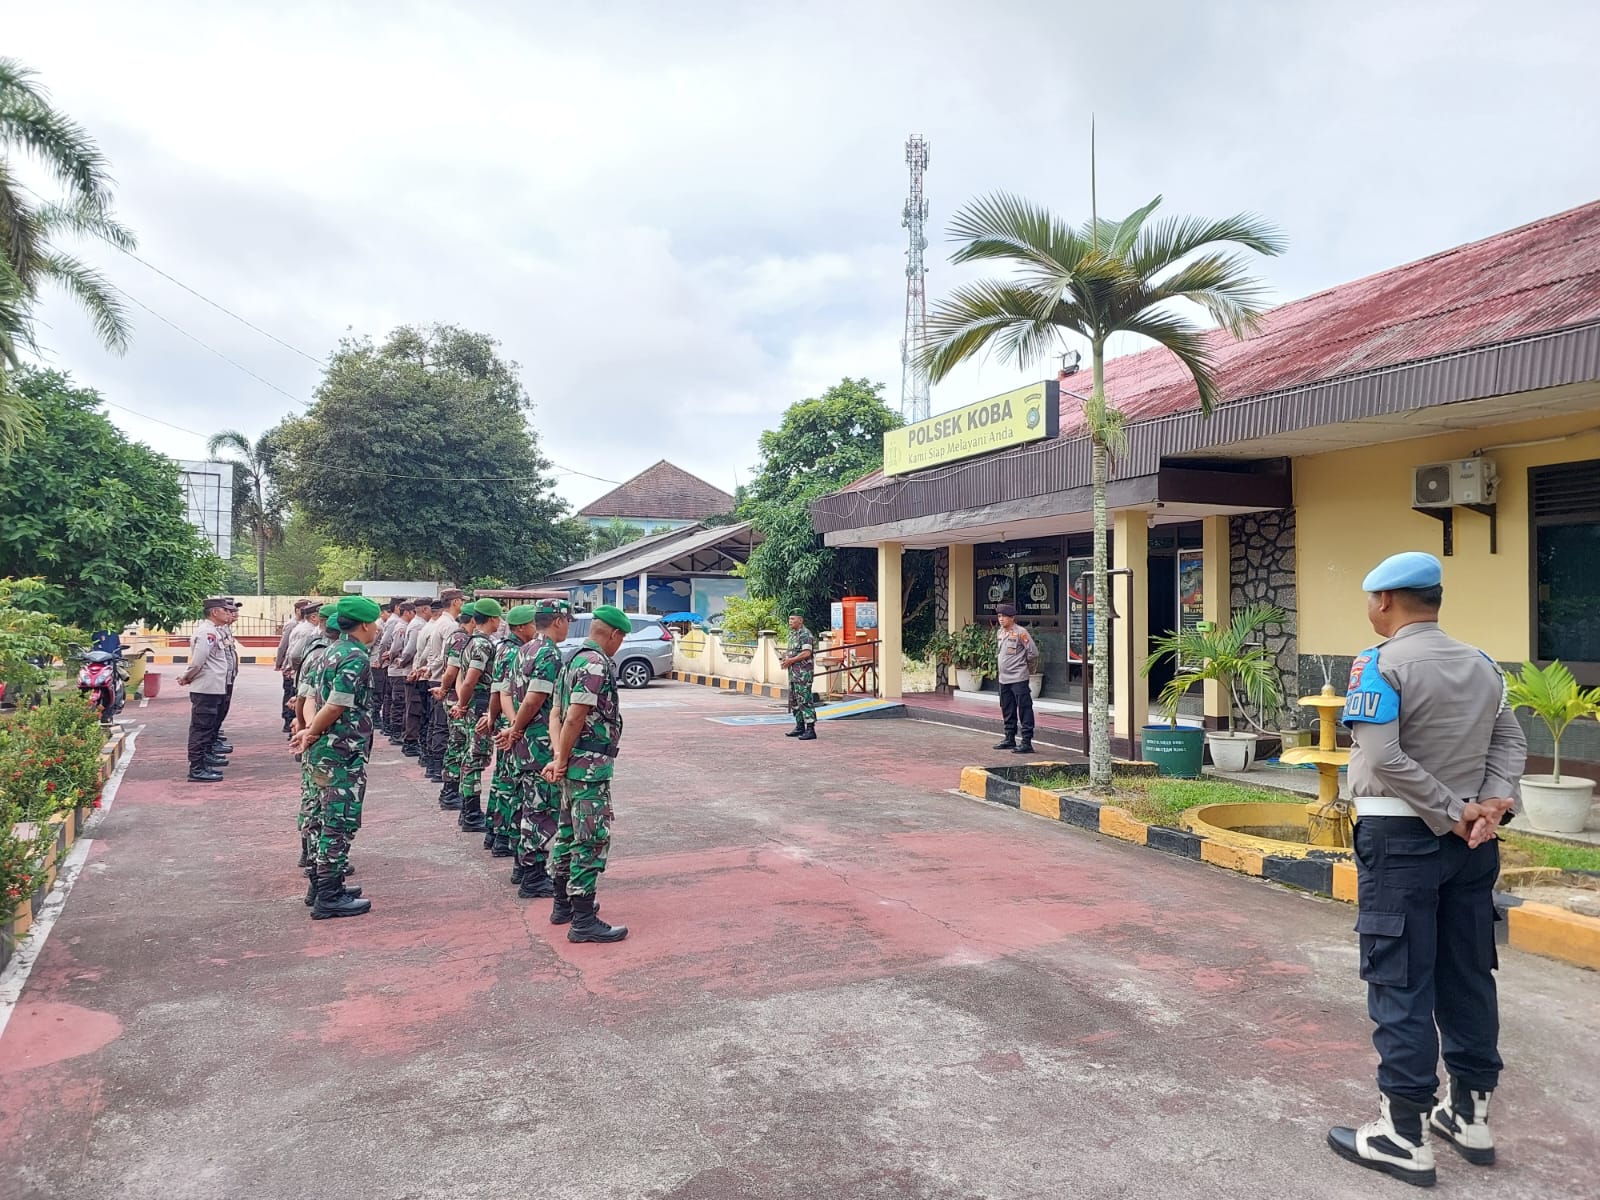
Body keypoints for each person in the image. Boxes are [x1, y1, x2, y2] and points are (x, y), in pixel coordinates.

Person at [1326, 552, 1526, 1188]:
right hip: (1471, 846)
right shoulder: (1483, 664)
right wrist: (1489, 804)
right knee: (1467, 970)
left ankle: (1402, 1133)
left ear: (1384, 601)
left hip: (1402, 839)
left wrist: (1452, 808)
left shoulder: (1378, 665)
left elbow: (1381, 755)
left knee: (1400, 974)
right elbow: (1510, 742)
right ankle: (1470, 1115)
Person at [542, 604, 630, 943]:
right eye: (620, 638)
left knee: (567, 833)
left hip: (572, 765)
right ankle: (582, 920)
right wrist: (562, 759)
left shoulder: (572, 660)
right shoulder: (594, 663)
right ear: (613, 634)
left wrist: (558, 756)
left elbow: (555, 714)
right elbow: (575, 717)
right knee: (591, 838)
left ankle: (562, 905)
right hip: (588, 768)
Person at [291, 594, 382, 920]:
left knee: (318, 816)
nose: (378, 628)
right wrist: (313, 731)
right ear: (366, 624)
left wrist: (309, 730)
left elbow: (312, 698)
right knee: (338, 820)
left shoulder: (330, 652)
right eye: (376, 622)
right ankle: (328, 896)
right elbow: (336, 704)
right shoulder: (355, 657)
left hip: (323, 751)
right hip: (341, 752)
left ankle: (322, 883)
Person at [500, 599, 569, 900]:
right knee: (541, 810)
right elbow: (534, 699)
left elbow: (510, 694)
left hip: (526, 741)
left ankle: (523, 866)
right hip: (539, 742)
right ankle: (533, 874)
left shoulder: (524, 649)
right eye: (567, 619)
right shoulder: (548, 653)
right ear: (557, 621)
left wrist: (515, 728)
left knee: (528, 805)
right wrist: (516, 729)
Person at [291, 603, 336, 874]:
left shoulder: (313, 647)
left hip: (310, 730)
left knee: (311, 794)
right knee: (321, 798)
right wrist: (311, 729)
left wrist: (304, 724)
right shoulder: (330, 653)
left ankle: (308, 851)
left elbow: (302, 694)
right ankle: (317, 860)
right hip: (321, 734)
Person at [453, 598, 502, 834]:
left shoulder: (470, 641)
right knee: (476, 758)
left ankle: (467, 811)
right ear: (492, 619)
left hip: (471, 703)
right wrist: (463, 704)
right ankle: (471, 813)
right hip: (479, 703)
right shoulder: (483, 644)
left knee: (469, 757)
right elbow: (471, 678)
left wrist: (462, 703)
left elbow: (461, 677)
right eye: (498, 618)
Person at [176, 598, 234, 783]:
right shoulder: (206, 632)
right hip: (206, 688)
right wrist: (186, 677)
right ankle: (197, 768)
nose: (229, 613)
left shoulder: (214, 631)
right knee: (201, 729)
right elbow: (198, 661)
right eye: (225, 610)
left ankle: (203, 761)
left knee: (207, 727)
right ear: (215, 612)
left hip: (213, 687)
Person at [483, 607, 526, 855]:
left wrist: (492, 716)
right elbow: (502, 692)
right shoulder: (513, 652)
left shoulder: (503, 648)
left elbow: (495, 690)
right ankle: (504, 836)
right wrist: (513, 726)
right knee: (510, 782)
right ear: (521, 627)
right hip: (512, 722)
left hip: (506, 721)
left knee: (502, 779)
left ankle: (494, 831)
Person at [417, 590, 462, 781]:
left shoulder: (438, 622)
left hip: (436, 675)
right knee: (442, 725)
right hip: (443, 678)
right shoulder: (450, 625)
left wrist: (427, 668)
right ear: (456, 602)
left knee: (436, 723)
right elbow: (447, 656)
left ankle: (431, 763)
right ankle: (436, 767)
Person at [435, 607, 477, 810]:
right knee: (460, 746)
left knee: (457, 745)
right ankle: (451, 793)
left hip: (454, 697)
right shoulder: (461, 639)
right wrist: (445, 690)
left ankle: (450, 791)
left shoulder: (456, 636)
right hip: (457, 698)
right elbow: (453, 671)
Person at [993, 604, 1039, 755]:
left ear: (1012, 617)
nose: (1001, 619)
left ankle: (1026, 742)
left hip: (1018, 677)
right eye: (999, 616)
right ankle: (1009, 738)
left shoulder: (1021, 632)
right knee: (1007, 708)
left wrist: (1027, 669)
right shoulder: (1000, 633)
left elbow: (1032, 653)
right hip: (1004, 679)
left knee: (1024, 708)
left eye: (1004, 616)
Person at [400, 598, 434, 757]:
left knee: (414, 709)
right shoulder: (419, 625)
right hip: (414, 673)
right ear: (426, 610)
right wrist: (412, 668)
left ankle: (412, 741)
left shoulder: (418, 624)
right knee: (414, 710)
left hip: (415, 671)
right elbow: (412, 650)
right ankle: (410, 742)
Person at [778, 613, 817, 741]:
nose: (790, 621)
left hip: (803, 673)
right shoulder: (792, 634)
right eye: (789, 618)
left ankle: (810, 729)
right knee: (794, 700)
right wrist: (786, 659)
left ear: (800, 620)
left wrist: (791, 660)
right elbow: (792, 651)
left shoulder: (805, 634)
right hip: (793, 673)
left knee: (804, 699)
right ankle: (800, 726)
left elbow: (806, 653)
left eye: (793, 619)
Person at [275, 600, 311, 734]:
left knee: (293, 693)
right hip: (292, 667)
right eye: (304, 609)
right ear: (297, 610)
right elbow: (284, 645)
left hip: (294, 667)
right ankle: (288, 721)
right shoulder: (292, 625)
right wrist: (281, 663)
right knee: (290, 693)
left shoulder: (303, 625)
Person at [385, 600, 418, 741]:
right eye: (413, 612)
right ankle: (396, 733)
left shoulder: (407, 625)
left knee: (400, 703)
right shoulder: (401, 626)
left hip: (400, 669)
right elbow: (395, 646)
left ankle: (397, 731)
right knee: (399, 703)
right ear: (408, 612)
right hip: (398, 670)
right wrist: (395, 659)